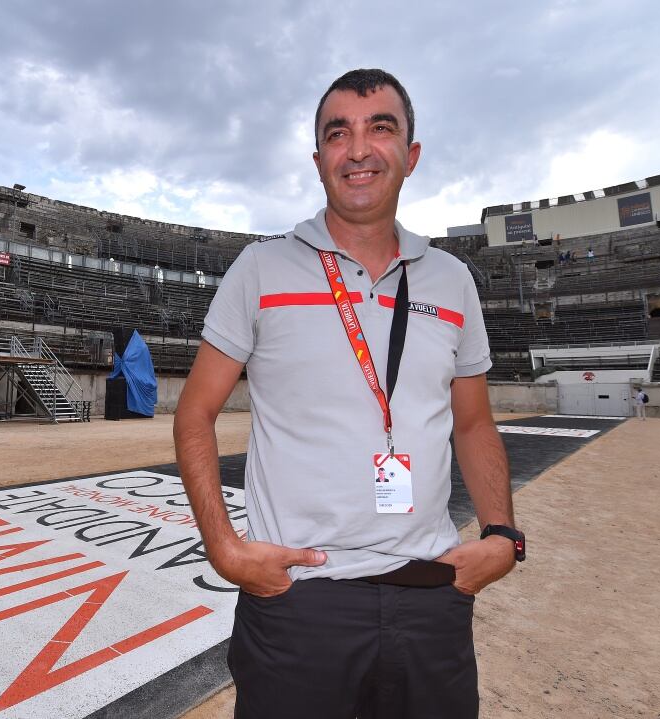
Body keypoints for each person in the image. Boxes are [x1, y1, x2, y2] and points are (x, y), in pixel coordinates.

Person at [174, 68, 523, 719]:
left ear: (410, 155)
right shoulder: (261, 268)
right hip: (299, 600)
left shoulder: (452, 281)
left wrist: (502, 533)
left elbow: (473, 423)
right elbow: (194, 410)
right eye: (339, 133)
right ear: (318, 159)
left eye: (379, 128)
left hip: (432, 595)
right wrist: (223, 546)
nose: (358, 149)